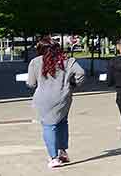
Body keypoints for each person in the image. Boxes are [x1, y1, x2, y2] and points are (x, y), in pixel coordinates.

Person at [26, 36, 85, 168]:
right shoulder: (68, 61)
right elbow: (81, 73)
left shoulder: (35, 62)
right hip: (63, 97)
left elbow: (31, 83)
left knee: (48, 125)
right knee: (62, 122)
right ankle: (62, 151)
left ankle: (54, 158)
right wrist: (73, 84)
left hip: (43, 98)